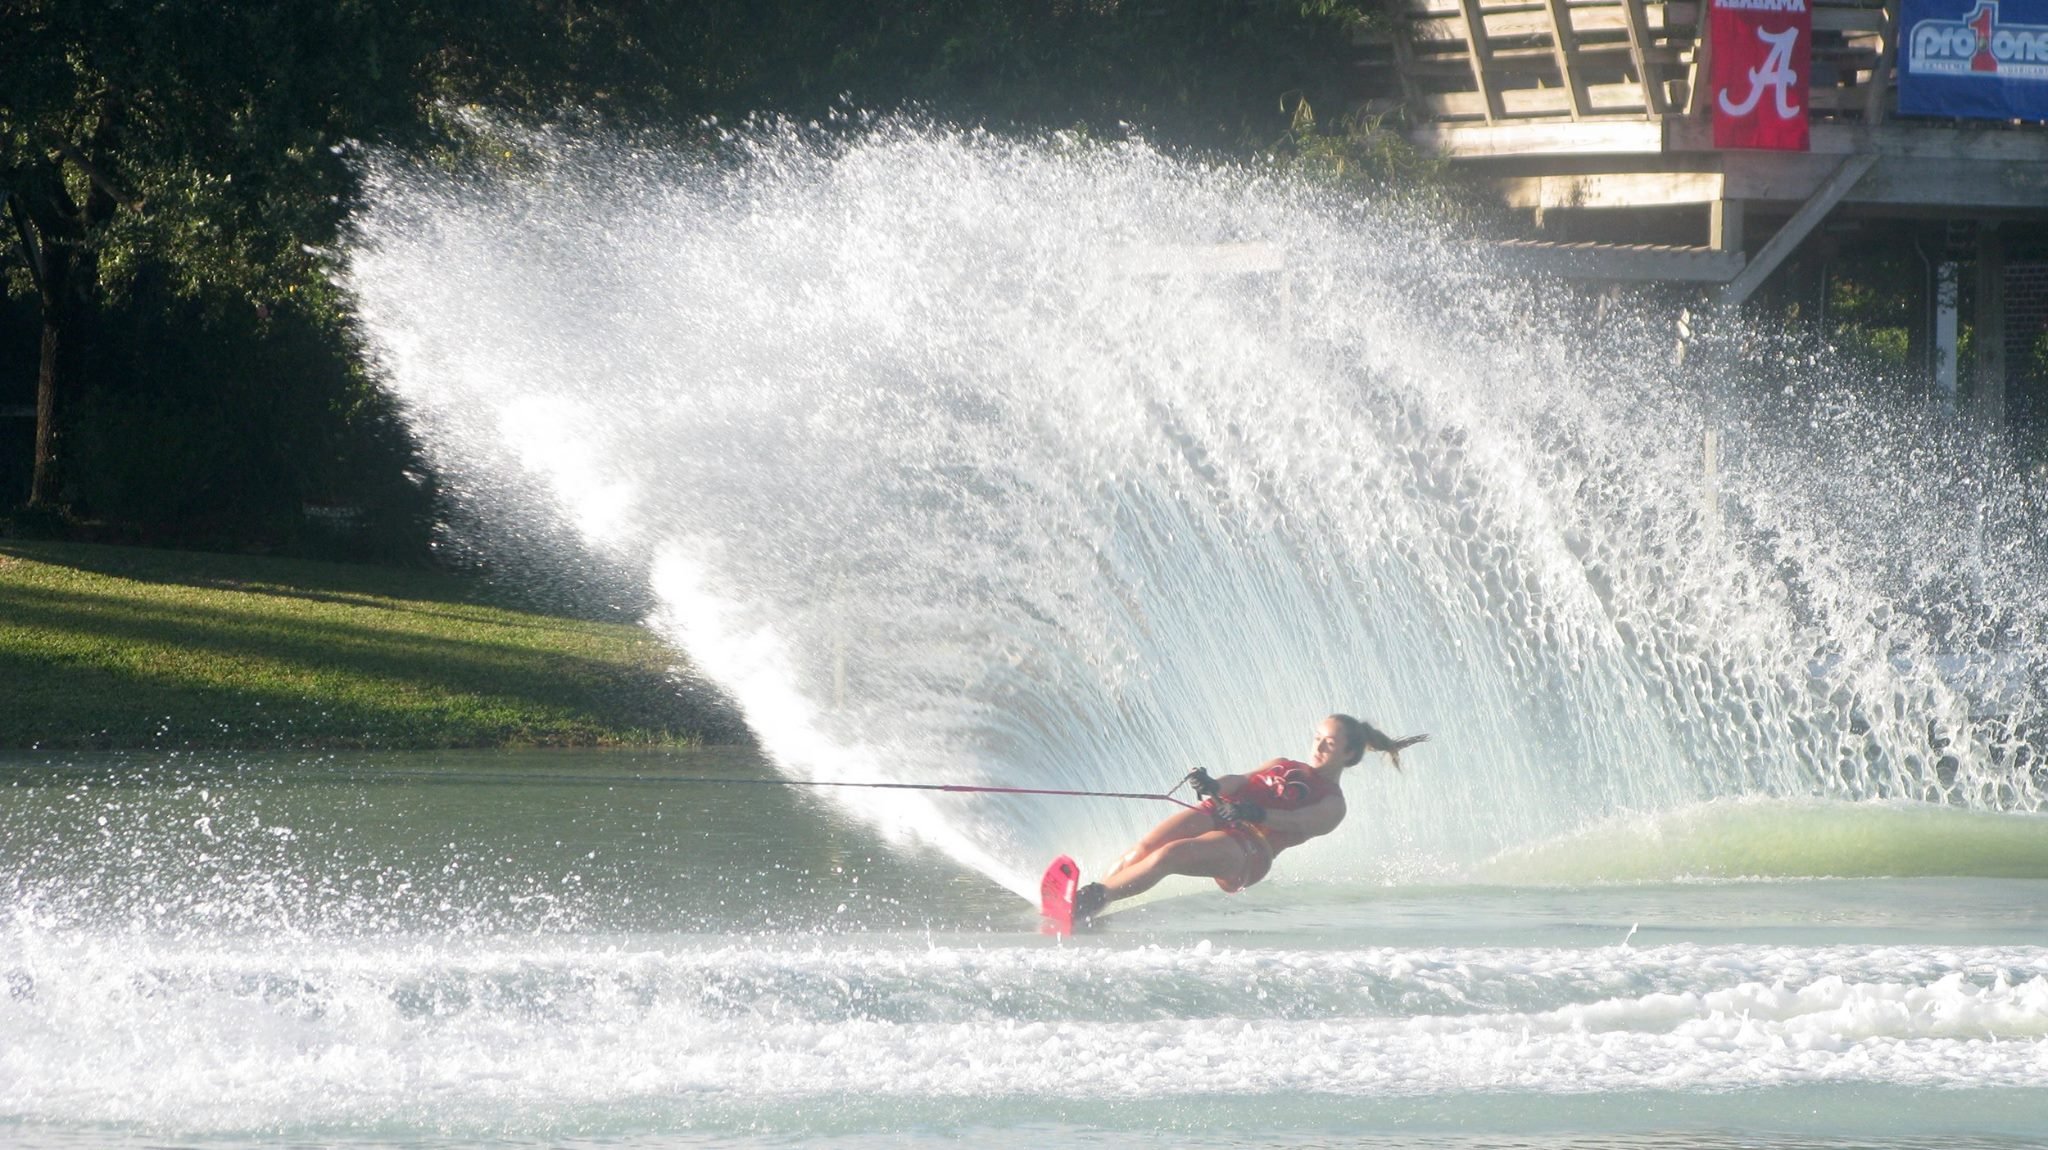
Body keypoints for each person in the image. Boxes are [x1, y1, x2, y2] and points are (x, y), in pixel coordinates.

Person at [1071, 713, 1427, 922]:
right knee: (1146, 847)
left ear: (1348, 753)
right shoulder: (1283, 764)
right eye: (1317, 738)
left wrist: (1253, 812)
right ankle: (1092, 903)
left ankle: (1093, 897)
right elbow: (1240, 782)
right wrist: (1211, 784)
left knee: (1170, 855)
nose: (1317, 747)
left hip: (1251, 848)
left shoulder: (1333, 804)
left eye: (1329, 743)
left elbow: (1297, 823)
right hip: (1226, 813)